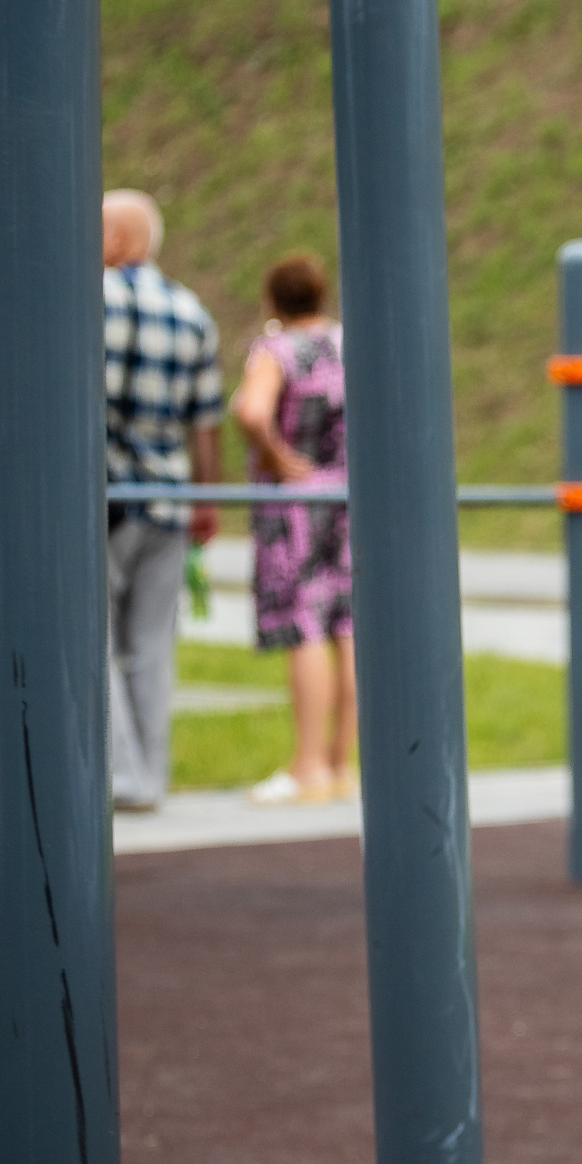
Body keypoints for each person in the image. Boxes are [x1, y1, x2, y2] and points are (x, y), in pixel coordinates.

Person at [102, 190, 224, 812]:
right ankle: (152, 775)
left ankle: (121, 775)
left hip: (104, 497)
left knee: (94, 641)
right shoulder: (190, 310)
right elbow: (206, 419)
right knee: (152, 644)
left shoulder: (89, 300)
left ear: (121, 239)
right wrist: (206, 497)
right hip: (171, 497)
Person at [232, 254, 355, 806]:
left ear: (273, 299)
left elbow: (252, 412)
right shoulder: (348, 343)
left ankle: (308, 767)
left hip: (295, 506)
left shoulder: (276, 349)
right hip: (346, 497)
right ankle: (341, 763)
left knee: (305, 625)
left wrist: (280, 459)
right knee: (347, 624)